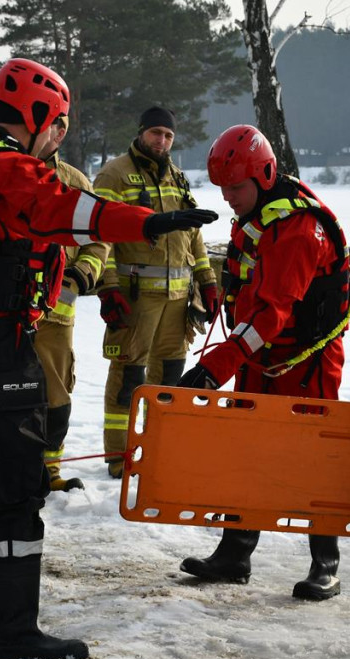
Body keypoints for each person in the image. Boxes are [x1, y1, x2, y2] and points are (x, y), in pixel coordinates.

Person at [0, 58, 217, 659]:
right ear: (38, 116)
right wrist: (150, 220)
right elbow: (77, 213)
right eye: (57, 124)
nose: (58, 136)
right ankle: (14, 634)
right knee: (17, 494)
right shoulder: (9, 169)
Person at [177, 125, 350, 600]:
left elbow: (274, 313)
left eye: (235, 187)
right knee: (247, 448)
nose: (229, 198)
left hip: (304, 359)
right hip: (259, 353)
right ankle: (234, 554)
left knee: (314, 456)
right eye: (222, 189)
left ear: (264, 173)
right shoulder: (259, 213)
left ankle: (326, 563)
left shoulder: (297, 230)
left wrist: (217, 366)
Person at [93, 106, 219, 478]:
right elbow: (101, 235)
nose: (161, 141)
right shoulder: (115, 174)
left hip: (177, 304)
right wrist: (108, 287)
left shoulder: (178, 177)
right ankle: (120, 456)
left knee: (170, 379)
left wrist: (208, 282)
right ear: (141, 132)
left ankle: (161, 448)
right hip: (135, 299)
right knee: (129, 377)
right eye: (156, 133)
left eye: (168, 135)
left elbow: (193, 236)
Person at [35, 113, 110, 491]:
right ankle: (12, 471)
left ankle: (48, 473)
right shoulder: (1, 172)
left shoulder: (74, 183)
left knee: (55, 399)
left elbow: (98, 238)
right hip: (6, 317)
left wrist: (83, 274)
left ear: (60, 133)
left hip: (55, 317)